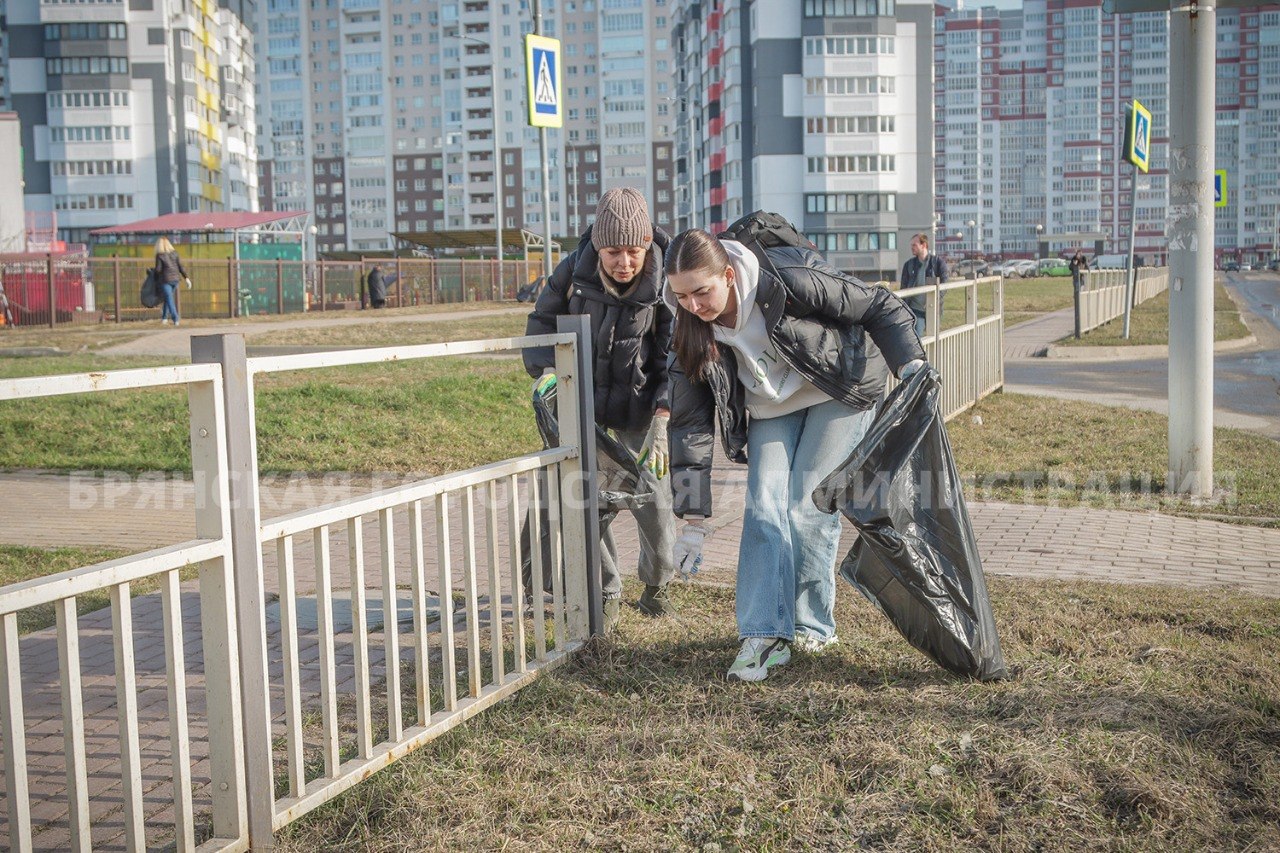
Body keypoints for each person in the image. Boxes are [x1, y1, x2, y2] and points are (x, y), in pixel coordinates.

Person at [664, 226, 927, 682]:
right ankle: (762, 634)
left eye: (701, 292)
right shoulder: (687, 324)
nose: (693, 307)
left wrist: (911, 364)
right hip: (771, 406)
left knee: (805, 507)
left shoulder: (790, 279)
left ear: (728, 274)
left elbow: (879, 305)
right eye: (681, 296)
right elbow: (690, 425)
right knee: (764, 507)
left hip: (838, 388)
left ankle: (812, 627)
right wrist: (692, 518)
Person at [523, 188, 679, 629]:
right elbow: (541, 323)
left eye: (633, 251)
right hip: (584, 405)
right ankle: (607, 587)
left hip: (645, 410)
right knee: (589, 495)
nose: (624, 262)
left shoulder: (667, 281)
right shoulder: (573, 270)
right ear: (598, 246)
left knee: (653, 496)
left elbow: (674, 356)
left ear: (647, 245)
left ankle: (658, 583)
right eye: (613, 251)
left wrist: (665, 414)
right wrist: (546, 370)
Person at [900, 233, 948, 338]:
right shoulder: (909, 265)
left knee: (935, 338)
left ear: (924, 245)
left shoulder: (938, 263)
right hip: (915, 310)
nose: (911, 248)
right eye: (911, 245)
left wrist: (935, 299)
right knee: (918, 339)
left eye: (914, 245)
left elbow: (944, 284)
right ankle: (921, 355)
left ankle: (933, 355)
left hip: (933, 308)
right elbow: (903, 288)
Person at [153, 237, 191, 326]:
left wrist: (154, 277)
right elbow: (180, 267)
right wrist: (186, 278)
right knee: (168, 298)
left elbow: (158, 270)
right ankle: (164, 318)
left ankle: (175, 319)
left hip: (166, 280)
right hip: (176, 279)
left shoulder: (160, 255)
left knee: (169, 299)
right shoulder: (175, 253)